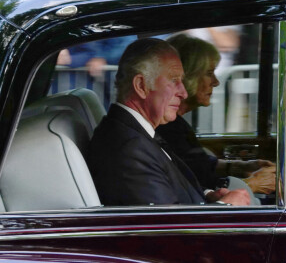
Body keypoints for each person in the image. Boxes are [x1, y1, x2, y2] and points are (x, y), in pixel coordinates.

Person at [88, 38, 250, 206]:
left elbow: (175, 186)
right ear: (141, 85)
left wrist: (209, 195)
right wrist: (226, 207)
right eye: (174, 80)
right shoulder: (129, 150)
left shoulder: (137, 132)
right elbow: (167, 226)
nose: (183, 93)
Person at [156, 33, 275, 200]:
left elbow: (198, 164)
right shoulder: (167, 129)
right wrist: (252, 184)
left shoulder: (176, 125)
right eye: (209, 73)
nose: (216, 82)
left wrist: (241, 166)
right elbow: (196, 189)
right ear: (189, 75)